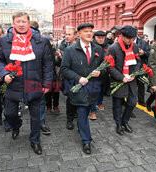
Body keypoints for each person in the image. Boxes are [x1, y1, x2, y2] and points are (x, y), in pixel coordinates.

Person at [0, 12, 53, 155]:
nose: (21, 24)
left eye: (24, 21)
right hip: (13, 85)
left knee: (35, 117)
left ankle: (35, 141)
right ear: (13, 24)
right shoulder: (4, 40)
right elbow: (0, 60)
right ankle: (16, 125)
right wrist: (4, 74)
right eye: (18, 21)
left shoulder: (41, 40)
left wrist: (47, 83)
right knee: (9, 114)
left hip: (34, 85)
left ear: (29, 23)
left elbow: (47, 64)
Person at [60, 23, 104, 154]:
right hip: (78, 88)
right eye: (86, 31)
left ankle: (81, 127)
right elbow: (64, 69)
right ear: (79, 34)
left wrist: (101, 72)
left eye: (91, 31)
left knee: (86, 110)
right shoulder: (70, 50)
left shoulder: (98, 49)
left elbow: (105, 66)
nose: (90, 34)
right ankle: (86, 141)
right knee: (83, 112)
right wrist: (78, 78)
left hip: (93, 88)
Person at [107, 25, 140, 136]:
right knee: (117, 105)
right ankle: (118, 124)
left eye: (132, 39)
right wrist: (122, 77)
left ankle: (125, 121)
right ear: (122, 36)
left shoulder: (134, 47)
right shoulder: (113, 48)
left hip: (131, 80)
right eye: (128, 38)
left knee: (132, 102)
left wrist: (135, 73)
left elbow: (138, 61)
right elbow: (110, 67)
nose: (130, 41)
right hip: (119, 80)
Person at [56, 26, 78, 130]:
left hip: (79, 77)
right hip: (67, 77)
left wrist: (63, 55)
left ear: (75, 35)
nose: (67, 36)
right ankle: (69, 119)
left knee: (78, 97)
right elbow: (58, 63)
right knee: (70, 98)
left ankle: (76, 113)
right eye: (66, 34)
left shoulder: (80, 45)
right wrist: (59, 57)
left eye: (69, 34)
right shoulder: (63, 44)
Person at [90, 30, 107, 120]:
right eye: (98, 38)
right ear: (94, 38)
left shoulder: (108, 47)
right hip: (94, 74)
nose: (101, 39)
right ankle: (93, 111)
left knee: (101, 91)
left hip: (104, 74)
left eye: (102, 38)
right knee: (94, 92)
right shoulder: (91, 46)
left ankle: (99, 103)